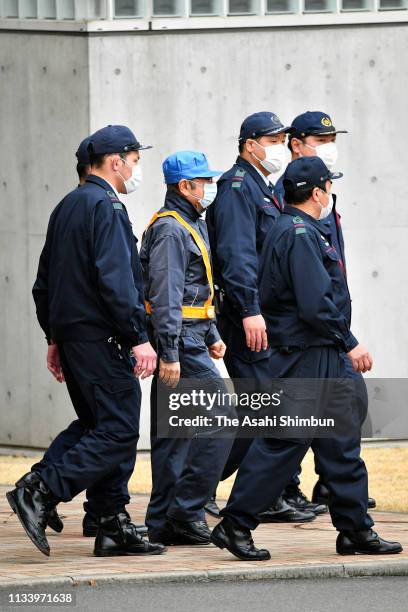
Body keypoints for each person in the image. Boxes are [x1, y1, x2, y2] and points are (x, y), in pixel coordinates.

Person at [210, 157, 402, 560]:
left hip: (322, 356)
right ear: (317, 193)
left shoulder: (303, 231)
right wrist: (350, 342)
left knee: (341, 441)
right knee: (285, 441)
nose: (330, 194)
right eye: (328, 187)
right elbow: (315, 305)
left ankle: (355, 530)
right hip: (306, 358)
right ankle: (235, 523)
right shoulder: (298, 234)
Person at [7, 125, 165, 558]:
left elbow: (45, 283)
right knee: (117, 430)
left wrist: (55, 337)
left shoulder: (66, 207)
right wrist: (138, 337)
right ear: (116, 162)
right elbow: (116, 281)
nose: (135, 169)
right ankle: (40, 490)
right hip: (104, 338)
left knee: (97, 426)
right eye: (134, 161)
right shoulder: (106, 206)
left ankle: (111, 522)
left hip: (76, 338)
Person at [206, 112, 322, 522]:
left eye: (280, 139)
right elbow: (237, 257)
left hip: (261, 318)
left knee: (263, 407)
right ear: (249, 143)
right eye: (271, 139)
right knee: (263, 408)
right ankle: (204, 488)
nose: (278, 146)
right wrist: (250, 311)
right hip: (244, 319)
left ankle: (213, 488)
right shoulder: (238, 187)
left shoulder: (262, 187)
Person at [274, 111, 376, 510]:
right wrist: (347, 339)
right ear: (295, 143)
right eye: (320, 139)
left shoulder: (319, 206)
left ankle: (342, 502)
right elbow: (306, 290)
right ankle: (236, 514)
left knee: (344, 412)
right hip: (306, 338)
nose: (329, 145)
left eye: (331, 138)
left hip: (326, 335)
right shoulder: (294, 211)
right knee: (285, 435)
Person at [141, 150, 232, 545]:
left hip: (193, 337)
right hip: (179, 341)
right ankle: (186, 509)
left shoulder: (190, 222)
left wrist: (212, 332)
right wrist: (171, 353)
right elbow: (164, 296)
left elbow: (196, 288)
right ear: (185, 186)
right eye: (205, 182)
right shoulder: (171, 230)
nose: (210, 188)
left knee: (174, 433)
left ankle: (163, 520)